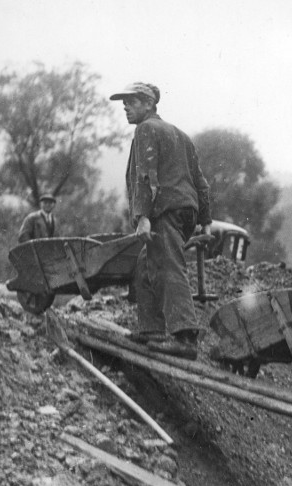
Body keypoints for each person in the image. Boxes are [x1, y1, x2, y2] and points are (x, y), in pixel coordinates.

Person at [110, 82, 211, 360]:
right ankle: (152, 329)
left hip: (165, 210)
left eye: (131, 102)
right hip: (185, 211)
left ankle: (185, 337)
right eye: (124, 103)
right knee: (145, 264)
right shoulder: (180, 135)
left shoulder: (146, 130)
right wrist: (206, 219)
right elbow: (200, 182)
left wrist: (142, 217)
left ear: (148, 103)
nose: (125, 107)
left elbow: (145, 176)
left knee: (167, 266)